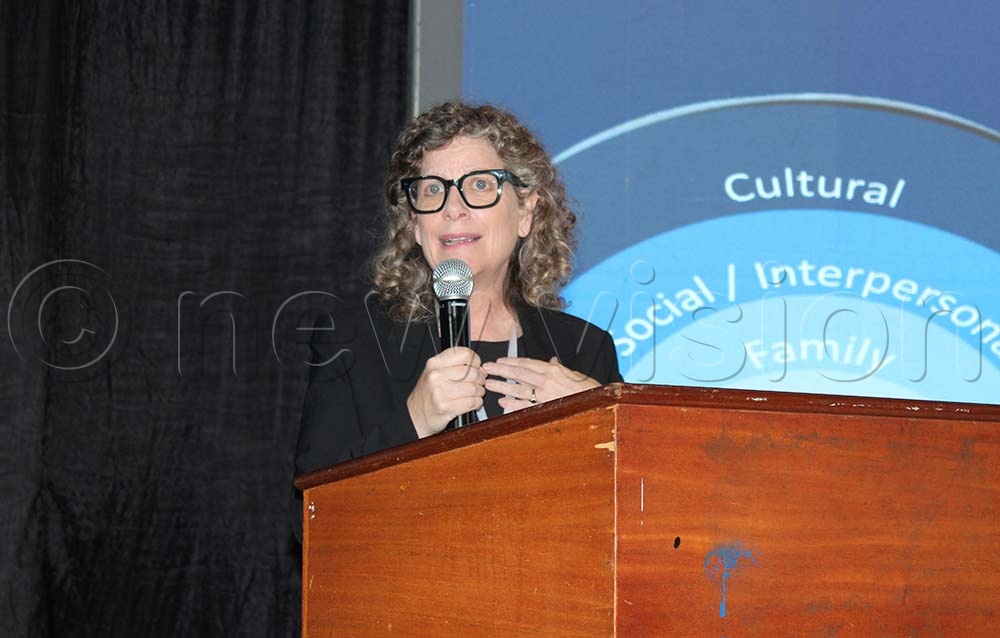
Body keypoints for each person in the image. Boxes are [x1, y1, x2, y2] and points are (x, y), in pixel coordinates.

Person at [294, 102, 621, 477]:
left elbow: (641, 506)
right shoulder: (353, 343)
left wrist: (598, 419)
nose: (453, 208)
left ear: (526, 212)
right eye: (433, 190)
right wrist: (414, 420)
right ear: (415, 224)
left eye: (480, 185)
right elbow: (309, 518)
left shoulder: (584, 350)